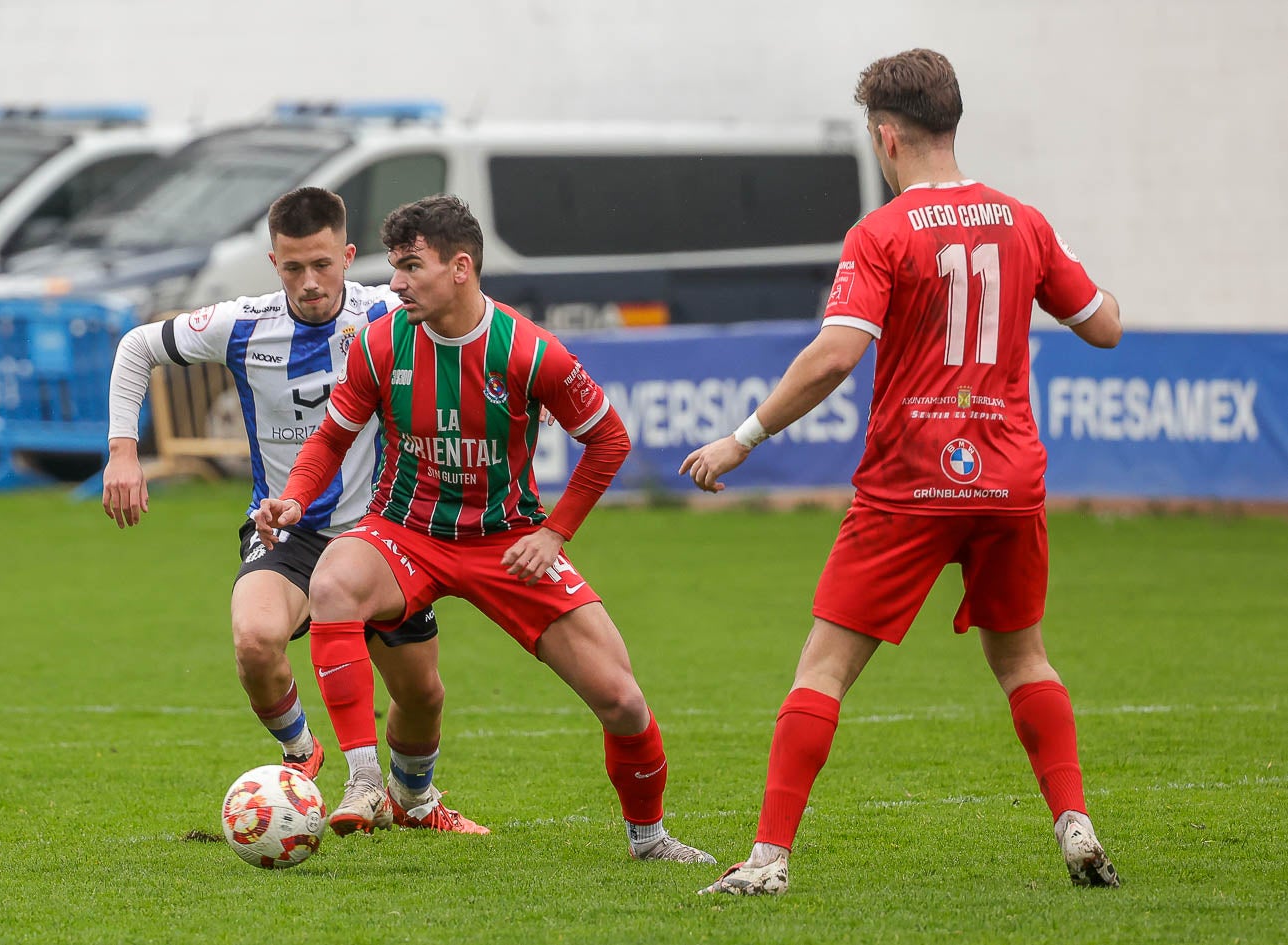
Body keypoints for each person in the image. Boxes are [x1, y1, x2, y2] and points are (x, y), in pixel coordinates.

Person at [680, 49, 1123, 896]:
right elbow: (1103, 325)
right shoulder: (1022, 221)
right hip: (1007, 482)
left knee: (822, 669)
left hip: (908, 483)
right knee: (1024, 661)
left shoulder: (880, 233)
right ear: (949, 122)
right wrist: (1051, 259)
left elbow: (834, 355)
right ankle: (1074, 823)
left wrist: (744, 436)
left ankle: (768, 859)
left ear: (886, 137)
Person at [253, 194, 714, 863]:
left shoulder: (530, 352)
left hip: (508, 541)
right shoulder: (379, 341)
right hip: (405, 532)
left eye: (412, 267)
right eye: (394, 267)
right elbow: (330, 438)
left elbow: (609, 441)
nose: (396, 283)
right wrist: (295, 498)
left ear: (460, 267)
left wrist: (553, 533)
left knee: (621, 699)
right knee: (333, 582)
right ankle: (363, 781)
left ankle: (650, 840)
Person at [102, 186, 486, 834]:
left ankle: (415, 800)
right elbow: (137, 346)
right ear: (273, 262)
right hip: (288, 528)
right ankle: (301, 755)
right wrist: (122, 451)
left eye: (322, 264)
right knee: (254, 640)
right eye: (292, 268)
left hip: (380, 536)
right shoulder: (243, 323)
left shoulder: (387, 310)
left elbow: (468, 319)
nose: (309, 282)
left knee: (421, 695)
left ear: (348, 254)